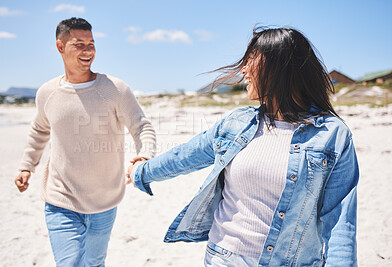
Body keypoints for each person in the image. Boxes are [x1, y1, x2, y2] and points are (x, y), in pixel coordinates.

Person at [127, 27, 359, 266]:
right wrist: (141, 172)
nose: (243, 71)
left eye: (250, 61)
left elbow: (341, 221)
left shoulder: (331, 134)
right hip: (223, 259)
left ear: (279, 66)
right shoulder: (237, 123)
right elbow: (184, 156)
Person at [14, 17, 156, 266]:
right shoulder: (47, 93)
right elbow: (39, 129)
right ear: (60, 47)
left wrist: (145, 156)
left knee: (94, 263)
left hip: (104, 200)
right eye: (79, 44)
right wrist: (27, 166)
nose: (88, 50)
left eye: (91, 43)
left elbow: (141, 126)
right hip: (60, 199)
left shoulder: (115, 89)